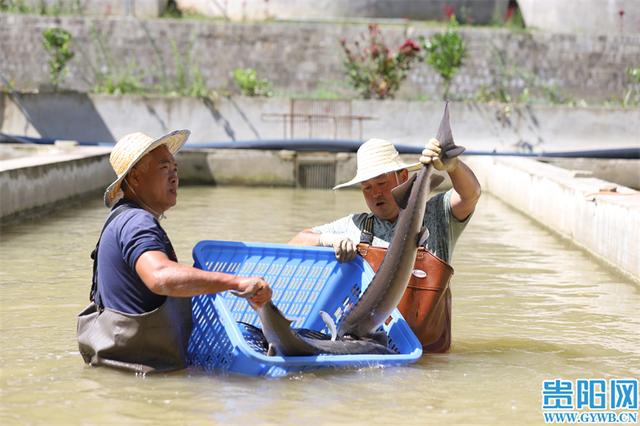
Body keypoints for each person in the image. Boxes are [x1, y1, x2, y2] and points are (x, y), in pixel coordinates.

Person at [77, 130, 272, 374]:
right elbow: (160, 277)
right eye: (164, 168)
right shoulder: (138, 223)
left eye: (175, 169)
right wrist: (236, 282)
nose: (174, 177)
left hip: (117, 374)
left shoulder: (121, 218)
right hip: (141, 377)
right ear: (135, 178)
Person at [289, 137, 481, 352]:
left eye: (382, 183)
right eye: (367, 187)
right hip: (370, 349)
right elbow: (295, 243)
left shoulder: (436, 216)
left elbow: (470, 195)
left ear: (403, 177)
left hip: (430, 357)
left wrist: (453, 166)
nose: (375, 193)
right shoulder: (356, 225)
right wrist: (327, 240)